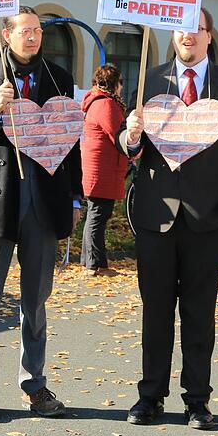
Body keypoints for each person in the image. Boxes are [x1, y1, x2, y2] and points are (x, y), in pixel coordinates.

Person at [120, 7, 218, 431]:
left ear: (208, 34)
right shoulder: (148, 78)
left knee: (199, 314)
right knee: (155, 312)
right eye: (182, 28)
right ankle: (150, 397)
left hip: (209, 218)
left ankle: (197, 400)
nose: (189, 36)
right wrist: (133, 136)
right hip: (155, 216)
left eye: (197, 28)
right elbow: (132, 152)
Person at [0, 5, 82, 422]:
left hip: (44, 201)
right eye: (24, 31)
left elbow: (73, 143)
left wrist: (76, 198)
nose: (32, 37)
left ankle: (35, 384)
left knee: (36, 299)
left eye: (38, 31)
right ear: (6, 34)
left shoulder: (59, 79)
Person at [80, 64, 128, 277]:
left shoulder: (96, 101)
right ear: (115, 84)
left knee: (95, 214)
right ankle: (95, 265)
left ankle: (88, 261)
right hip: (102, 169)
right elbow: (118, 135)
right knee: (98, 215)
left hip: (97, 167)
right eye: (120, 83)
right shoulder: (107, 105)